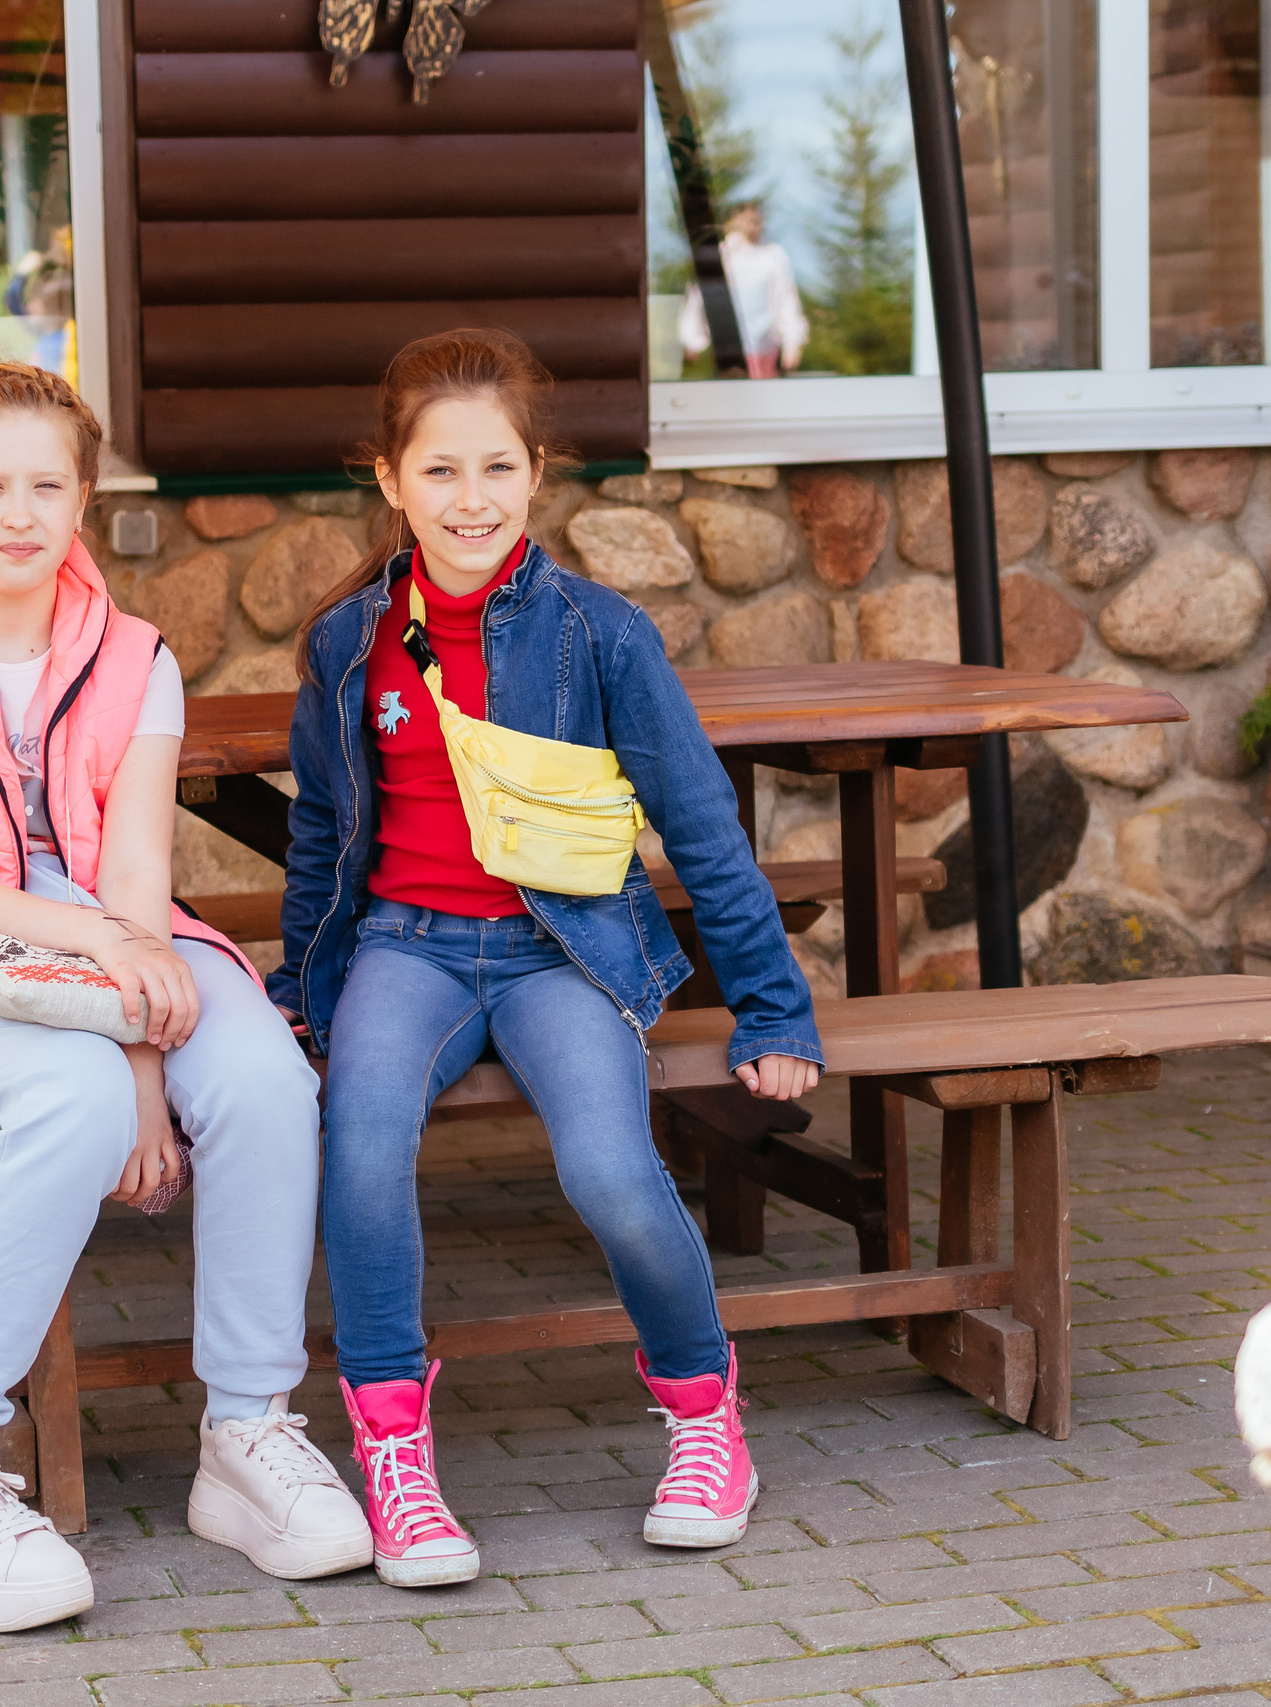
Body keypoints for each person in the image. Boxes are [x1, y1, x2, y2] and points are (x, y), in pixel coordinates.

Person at [273, 329, 825, 1586]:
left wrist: (773, 1012)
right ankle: (394, 1453)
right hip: (401, 951)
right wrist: (304, 995)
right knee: (357, 1154)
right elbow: (320, 831)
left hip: (556, 950)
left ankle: (703, 1419)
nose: (470, 499)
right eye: (440, 472)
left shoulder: (601, 634)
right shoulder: (349, 643)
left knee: (611, 1172)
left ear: (537, 476)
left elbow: (699, 825)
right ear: (390, 481)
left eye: (497, 469)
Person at [0, 361, 367, 1633]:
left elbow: (135, 869)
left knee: (262, 1079)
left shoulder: (135, 656)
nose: (18, 513)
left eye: (46, 485)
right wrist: (115, 1047)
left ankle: (248, 1433)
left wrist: (147, 1061)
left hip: (124, 927)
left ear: (83, 499)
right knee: (69, 1106)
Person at [679, 203, 810, 379]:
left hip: (764, 348)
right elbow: (699, 299)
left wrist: (793, 341)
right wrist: (693, 339)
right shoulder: (721, 255)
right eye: (747, 219)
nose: (753, 225)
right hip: (727, 351)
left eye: (756, 220)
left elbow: (787, 300)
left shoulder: (773, 255)